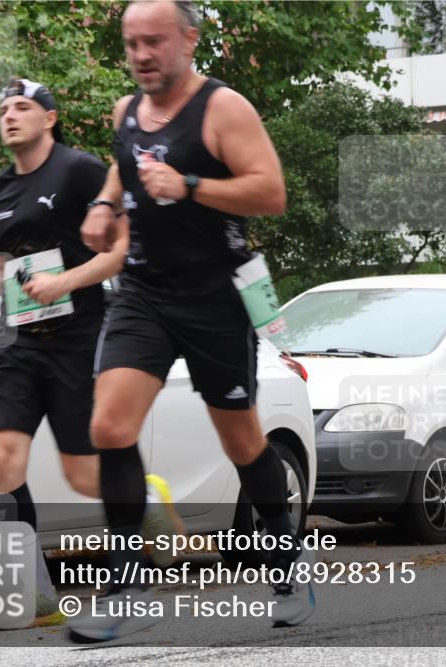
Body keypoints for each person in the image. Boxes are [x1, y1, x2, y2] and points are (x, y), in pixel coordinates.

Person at [67, 0, 312, 643]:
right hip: (144, 291)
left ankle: (285, 560)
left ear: (188, 40)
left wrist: (192, 185)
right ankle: (124, 584)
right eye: (131, 43)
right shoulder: (125, 113)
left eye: (154, 41)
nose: (142, 55)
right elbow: (124, 170)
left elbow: (271, 192)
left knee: (242, 442)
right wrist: (100, 206)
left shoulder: (224, 109)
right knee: (109, 425)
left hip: (215, 298)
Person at [0, 77, 180, 628]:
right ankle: (35, 597)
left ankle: (142, 503)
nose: (10, 116)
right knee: (2, 459)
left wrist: (65, 282)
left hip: (79, 338)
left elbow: (121, 251)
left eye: (22, 107)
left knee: (80, 475)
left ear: (49, 118)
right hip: (17, 341)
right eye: (4, 109)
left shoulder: (78, 171)